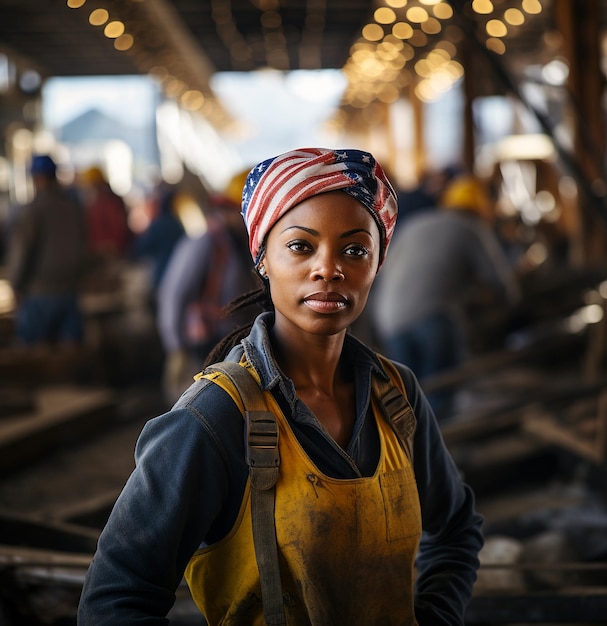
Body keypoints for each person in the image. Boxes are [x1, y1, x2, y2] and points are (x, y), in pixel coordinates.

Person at [77, 148, 483, 625]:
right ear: (263, 258)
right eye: (300, 246)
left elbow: (455, 528)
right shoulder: (215, 417)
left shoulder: (395, 394)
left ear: (377, 262)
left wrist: (435, 616)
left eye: (355, 250)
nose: (328, 268)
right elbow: (114, 600)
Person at [370, 174, 520, 419]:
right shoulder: (472, 229)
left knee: (412, 398)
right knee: (441, 400)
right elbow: (503, 286)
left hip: (388, 321)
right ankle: (441, 448)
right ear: (480, 209)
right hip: (431, 320)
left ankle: (413, 452)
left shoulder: (415, 224)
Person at [157, 188, 259, 404]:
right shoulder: (205, 243)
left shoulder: (240, 244)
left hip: (235, 335)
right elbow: (174, 294)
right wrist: (176, 346)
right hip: (207, 340)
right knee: (203, 401)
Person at [7, 154, 88, 346]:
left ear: (36, 178)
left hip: (39, 294)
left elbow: (21, 252)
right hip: (70, 291)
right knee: (71, 357)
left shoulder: (32, 210)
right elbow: (84, 247)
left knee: (35, 358)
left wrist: (16, 285)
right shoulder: (74, 208)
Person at [80, 166, 133, 261]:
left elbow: (118, 227)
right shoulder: (95, 200)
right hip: (102, 252)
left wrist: (111, 247)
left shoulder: (108, 200)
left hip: (111, 252)